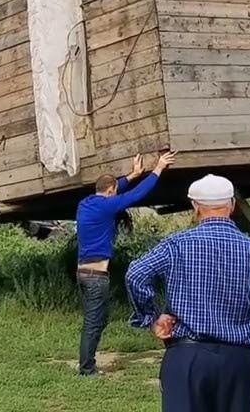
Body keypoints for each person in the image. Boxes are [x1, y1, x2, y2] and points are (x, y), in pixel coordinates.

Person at [125, 174, 250, 412]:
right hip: (239, 358)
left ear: (195, 207)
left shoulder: (176, 245)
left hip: (188, 355)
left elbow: (136, 274)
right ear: (232, 205)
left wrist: (152, 317)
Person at [75, 149, 176, 377]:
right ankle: (86, 369)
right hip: (95, 276)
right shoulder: (107, 206)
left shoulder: (86, 203)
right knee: (93, 322)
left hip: (83, 274)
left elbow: (117, 188)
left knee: (99, 319)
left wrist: (133, 175)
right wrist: (158, 167)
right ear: (110, 192)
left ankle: (87, 362)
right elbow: (136, 195)